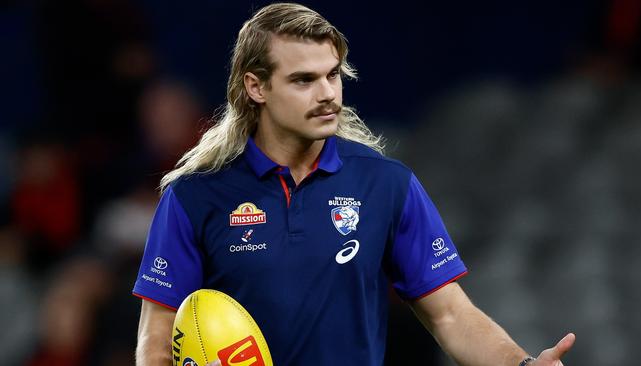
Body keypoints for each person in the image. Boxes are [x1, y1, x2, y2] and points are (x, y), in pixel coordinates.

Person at [133, 3, 575, 365]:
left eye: (332, 75)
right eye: (304, 80)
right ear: (256, 87)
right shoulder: (194, 196)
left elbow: (452, 316)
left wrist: (521, 365)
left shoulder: (386, 184)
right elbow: (156, 340)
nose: (327, 93)